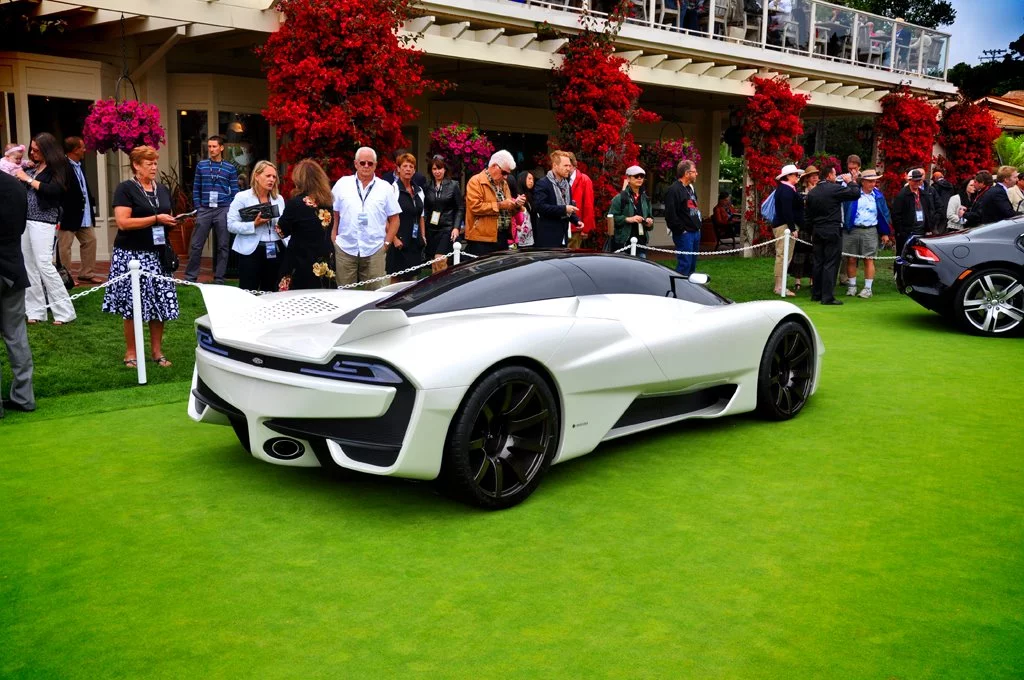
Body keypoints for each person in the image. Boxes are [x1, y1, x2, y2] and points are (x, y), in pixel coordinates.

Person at [101, 145, 179, 368]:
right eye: (149, 163)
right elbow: (123, 222)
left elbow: (166, 215)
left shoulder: (162, 189)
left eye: (155, 162)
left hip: (158, 254)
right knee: (132, 305)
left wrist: (172, 221)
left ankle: (157, 352)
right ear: (136, 165)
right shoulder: (125, 189)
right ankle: (131, 353)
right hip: (131, 255)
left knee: (160, 304)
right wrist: (156, 219)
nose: (154, 167)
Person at [13, 133, 75, 325]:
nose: (33, 153)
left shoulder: (59, 167)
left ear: (47, 150)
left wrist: (28, 179)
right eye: (32, 149)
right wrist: (24, 173)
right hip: (26, 220)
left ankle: (64, 311)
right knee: (28, 266)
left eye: (36, 150)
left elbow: (54, 190)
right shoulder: (32, 167)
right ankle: (35, 312)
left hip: (44, 220)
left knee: (44, 264)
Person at [331, 147, 400, 290]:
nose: (366, 166)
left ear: (375, 165)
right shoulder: (342, 184)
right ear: (356, 164)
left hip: (374, 249)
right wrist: (334, 237)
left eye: (370, 163)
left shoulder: (385, 188)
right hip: (345, 248)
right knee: (344, 293)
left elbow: (395, 219)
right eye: (363, 163)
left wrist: (386, 244)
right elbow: (335, 213)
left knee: (375, 295)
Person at [0, 170, 34, 416]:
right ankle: (24, 397)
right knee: (17, 335)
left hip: (9, 264)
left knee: (17, 335)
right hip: (12, 267)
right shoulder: (15, 186)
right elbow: (21, 227)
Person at [805, 166, 862, 305]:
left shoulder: (813, 192)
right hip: (832, 229)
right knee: (831, 262)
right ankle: (827, 297)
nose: (836, 176)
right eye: (835, 174)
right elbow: (855, 194)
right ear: (829, 175)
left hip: (817, 230)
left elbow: (807, 216)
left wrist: (811, 230)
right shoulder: (834, 188)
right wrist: (851, 181)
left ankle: (816, 294)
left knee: (818, 262)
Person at [275, 159, 335, 290]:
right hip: (323, 259)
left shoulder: (295, 203)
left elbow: (281, 231)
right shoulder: (327, 203)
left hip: (300, 260)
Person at [227, 160, 286, 293]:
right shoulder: (242, 197)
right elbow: (231, 225)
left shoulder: (279, 199)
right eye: (268, 176)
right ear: (257, 176)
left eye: (274, 177)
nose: (271, 179)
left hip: (275, 249)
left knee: (272, 291)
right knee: (248, 290)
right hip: (251, 250)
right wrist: (254, 224)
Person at [186, 135, 238, 284]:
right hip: (205, 208)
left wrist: (230, 208)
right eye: (209, 146)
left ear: (221, 148)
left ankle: (220, 278)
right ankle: (190, 278)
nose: (211, 149)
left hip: (223, 209)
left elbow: (235, 191)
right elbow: (196, 188)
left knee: (223, 245)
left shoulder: (230, 168)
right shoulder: (201, 165)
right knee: (196, 245)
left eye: (214, 146)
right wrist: (198, 206)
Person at [841, 169, 891, 299]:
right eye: (869, 181)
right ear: (862, 182)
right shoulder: (853, 194)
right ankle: (852, 286)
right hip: (852, 229)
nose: (872, 184)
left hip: (870, 230)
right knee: (851, 258)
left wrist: (885, 233)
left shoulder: (878, 196)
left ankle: (868, 289)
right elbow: (844, 209)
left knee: (868, 259)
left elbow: (884, 214)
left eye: (874, 181)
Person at [58, 136, 100, 285]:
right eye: (82, 147)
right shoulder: (61, 166)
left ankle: (86, 274)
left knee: (90, 240)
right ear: (75, 150)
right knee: (65, 247)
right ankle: (66, 277)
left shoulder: (79, 165)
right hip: (68, 215)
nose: (84, 150)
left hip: (84, 214)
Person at [465, 150, 521, 255]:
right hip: (482, 238)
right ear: (495, 166)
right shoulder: (476, 181)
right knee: (482, 270)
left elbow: (507, 208)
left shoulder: (504, 184)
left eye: (508, 174)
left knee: (500, 270)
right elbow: (475, 207)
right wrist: (500, 205)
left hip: (502, 236)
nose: (506, 177)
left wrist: (516, 205)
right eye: (504, 172)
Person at [388, 152, 426, 281]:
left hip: (415, 240)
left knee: (412, 280)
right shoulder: (392, 190)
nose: (408, 169)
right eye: (405, 166)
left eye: (411, 166)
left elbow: (421, 215)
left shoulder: (419, 190)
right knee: (396, 280)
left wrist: (423, 236)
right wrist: (394, 239)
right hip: (399, 241)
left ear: (414, 170)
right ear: (398, 169)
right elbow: (386, 218)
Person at [423, 155, 463, 273]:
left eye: (439, 168)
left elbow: (460, 208)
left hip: (447, 228)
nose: (437, 172)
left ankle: (443, 288)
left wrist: (456, 227)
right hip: (431, 228)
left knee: (440, 259)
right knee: (434, 263)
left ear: (445, 169)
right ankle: (434, 288)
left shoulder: (453, 185)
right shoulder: (427, 186)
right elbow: (426, 209)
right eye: (434, 169)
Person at [664, 159, 702, 275]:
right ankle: (679, 290)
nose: (697, 174)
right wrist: (682, 230)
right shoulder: (674, 190)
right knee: (684, 265)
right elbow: (670, 215)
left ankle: (689, 290)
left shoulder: (690, 189)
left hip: (695, 232)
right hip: (685, 234)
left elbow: (693, 207)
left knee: (692, 265)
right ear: (687, 173)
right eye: (694, 171)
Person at [533, 151, 577, 248]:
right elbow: (540, 207)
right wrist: (564, 209)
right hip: (548, 237)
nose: (569, 169)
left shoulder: (566, 185)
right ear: (555, 165)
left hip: (563, 236)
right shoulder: (543, 183)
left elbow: (568, 207)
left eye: (569, 166)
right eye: (565, 165)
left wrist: (577, 221)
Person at [771, 163, 803, 296]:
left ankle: (780, 285)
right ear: (788, 176)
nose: (797, 177)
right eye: (795, 174)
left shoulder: (788, 189)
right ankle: (779, 287)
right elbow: (786, 211)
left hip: (786, 225)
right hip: (784, 226)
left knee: (786, 256)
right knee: (783, 256)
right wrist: (792, 227)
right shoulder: (785, 190)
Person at [608, 165, 654, 257]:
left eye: (642, 176)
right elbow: (611, 218)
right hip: (624, 242)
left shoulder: (646, 199)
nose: (640, 178)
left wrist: (649, 222)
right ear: (628, 178)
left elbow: (650, 218)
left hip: (641, 242)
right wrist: (629, 219)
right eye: (636, 176)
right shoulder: (620, 198)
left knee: (640, 269)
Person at [891, 168, 934, 255]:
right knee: (903, 255)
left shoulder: (924, 194)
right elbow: (896, 215)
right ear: (909, 180)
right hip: (907, 233)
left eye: (919, 180)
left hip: (921, 231)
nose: (917, 183)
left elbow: (929, 211)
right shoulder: (902, 195)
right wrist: (901, 232)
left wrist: (928, 227)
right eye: (914, 180)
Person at [791, 165, 819, 291]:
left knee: (813, 254)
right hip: (802, 226)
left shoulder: (820, 191)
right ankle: (797, 281)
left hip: (815, 226)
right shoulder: (799, 192)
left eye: (816, 175)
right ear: (807, 178)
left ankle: (813, 280)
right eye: (812, 176)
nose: (815, 178)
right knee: (799, 254)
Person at [566, 152, 595, 248]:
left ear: (573, 165)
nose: (566, 168)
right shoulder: (561, 179)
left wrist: (585, 229)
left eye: (568, 165)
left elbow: (588, 205)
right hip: (562, 227)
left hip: (576, 228)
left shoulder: (584, 180)